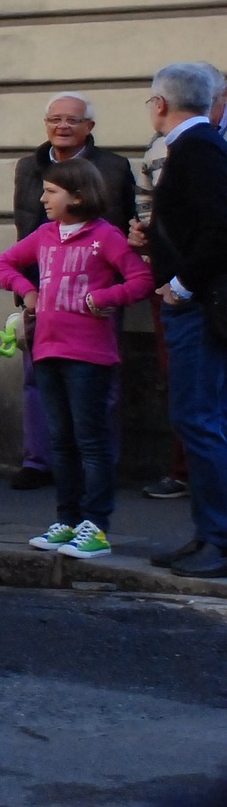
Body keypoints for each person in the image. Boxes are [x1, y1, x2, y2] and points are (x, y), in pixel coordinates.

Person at [0, 158, 154, 559]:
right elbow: (2, 262)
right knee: (60, 441)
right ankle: (66, 520)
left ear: (77, 196)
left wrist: (105, 297)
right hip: (46, 348)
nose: (43, 198)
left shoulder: (106, 237)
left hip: (89, 355)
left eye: (51, 191)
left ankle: (96, 526)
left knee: (90, 442)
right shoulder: (46, 235)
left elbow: (142, 280)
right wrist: (28, 293)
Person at [10, 92, 137, 490]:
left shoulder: (114, 168)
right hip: (42, 291)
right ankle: (39, 460)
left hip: (92, 296)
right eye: (55, 119)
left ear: (89, 127)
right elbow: (23, 227)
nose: (62, 126)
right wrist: (26, 288)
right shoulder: (29, 167)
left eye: (72, 120)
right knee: (36, 378)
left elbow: (126, 227)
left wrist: (110, 293)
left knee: (101, 382)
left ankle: (99, 463)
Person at [136, 63, 227, 579]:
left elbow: (220, 227)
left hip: (198, 306)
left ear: (162, 104)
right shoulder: (198, 146)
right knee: (200, 419)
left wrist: (182, 284)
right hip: (195, 302)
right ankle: (206, 535)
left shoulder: (197, 148)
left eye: (151, 101)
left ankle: (218, 538)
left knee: (200, 419)